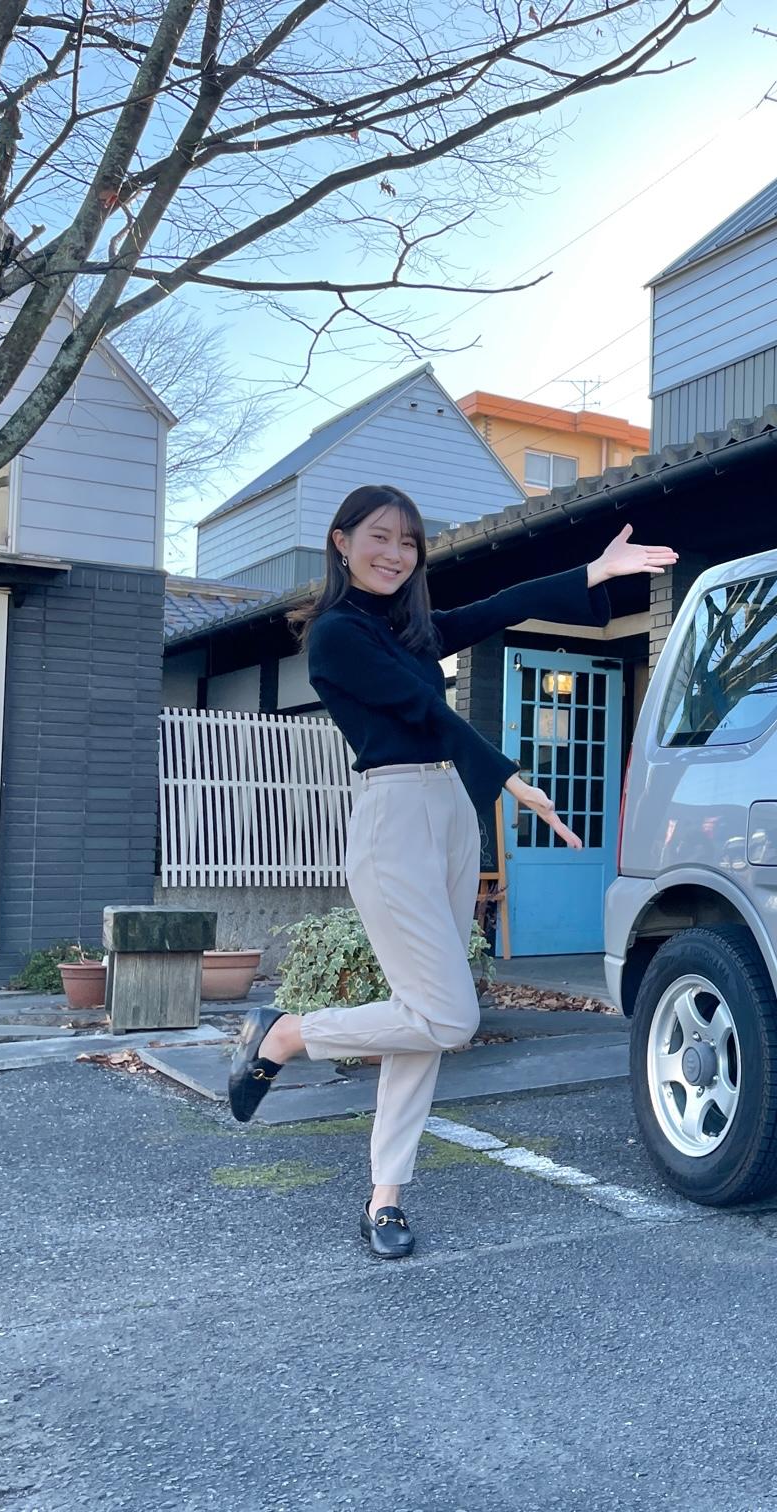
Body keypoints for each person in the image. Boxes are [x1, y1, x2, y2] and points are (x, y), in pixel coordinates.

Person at [226, 483, 676, 1258]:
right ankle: (288, 1034)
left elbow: (493, 609)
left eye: (409, 542)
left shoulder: (404, 627)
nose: (395, 553)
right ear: (341, 541)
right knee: (448, 1013)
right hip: (395, 818)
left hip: (447, 814)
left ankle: (385, 1197)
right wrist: (511, 778)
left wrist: (593, 576)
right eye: (379, 536)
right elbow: (424, 710)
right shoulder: (337, 636)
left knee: (420, 1019)